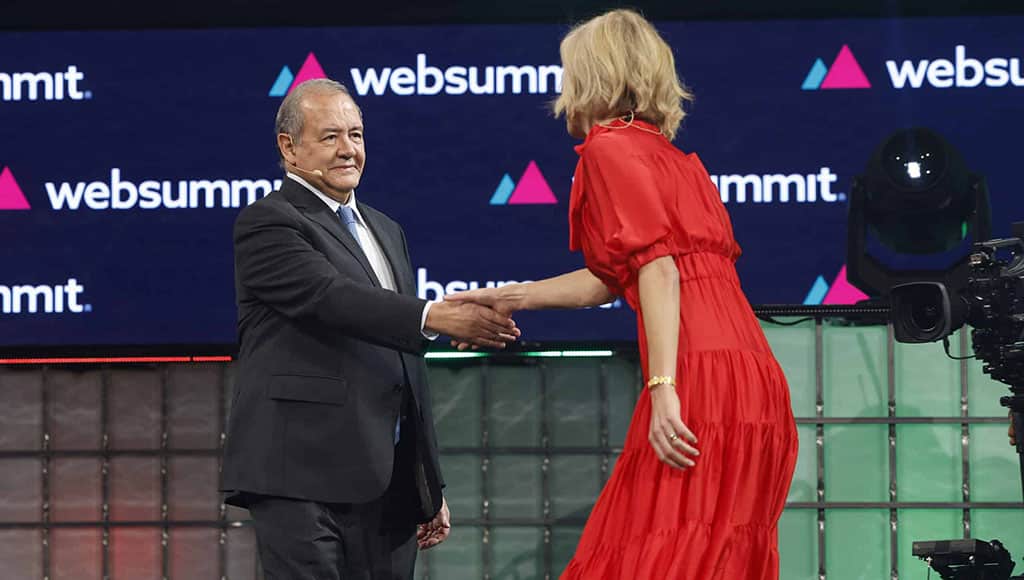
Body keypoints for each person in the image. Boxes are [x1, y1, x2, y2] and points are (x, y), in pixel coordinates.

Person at [446, 10, 799, 579]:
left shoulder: (610, 150)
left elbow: (658, 271)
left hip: (695, 375)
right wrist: (515, 297)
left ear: (592, 76)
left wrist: (663, 388)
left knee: (652, 556)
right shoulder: (672, 158)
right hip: (753, 380)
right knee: (712, 558)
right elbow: (615, 277)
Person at [221, 78, 519, 580]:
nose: (348, 150)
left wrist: (428, 481)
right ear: (288, 147)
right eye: (331, 136)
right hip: (300, 476)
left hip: (388, 484)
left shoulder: (386, 229)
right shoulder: (269, 222)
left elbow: (406, 363)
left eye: (356, 135)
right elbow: (330, 297)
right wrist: (434, 315)